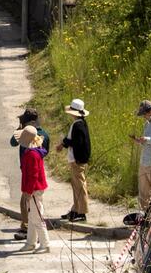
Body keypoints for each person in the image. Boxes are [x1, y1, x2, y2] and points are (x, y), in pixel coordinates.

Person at [9, 108, 50, 241]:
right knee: (36, 203)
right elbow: (46, 150)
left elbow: (13, 142)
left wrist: (20, 129)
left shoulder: (25, 135)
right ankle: (31, 232)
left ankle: (27, 229)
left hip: (29, 172)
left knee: (27, 201)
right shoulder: (44, 134)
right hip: (38, 171)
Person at [55, 98, 91, 223]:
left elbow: (77, 142)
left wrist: (63, 143)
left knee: (80, 185)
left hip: (77, 159)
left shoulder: (78, 125)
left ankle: (82, 212)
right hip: (77, 159)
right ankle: (76, 209)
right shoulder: (80, 123)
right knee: (76, 185)